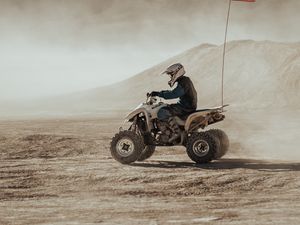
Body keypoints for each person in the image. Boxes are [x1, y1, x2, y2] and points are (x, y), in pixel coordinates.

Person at [149, 63, 198, 142]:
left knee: (162, 111)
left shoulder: (184, 82)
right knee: (166, 107)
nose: (170, 77)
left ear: (176, 72)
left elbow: (174, 94)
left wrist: (158, 94)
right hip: (186, 106)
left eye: (171, 74)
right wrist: (159, 93)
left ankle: (176, 132)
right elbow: (173, 92)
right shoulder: (184, 80)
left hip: (185, 108)